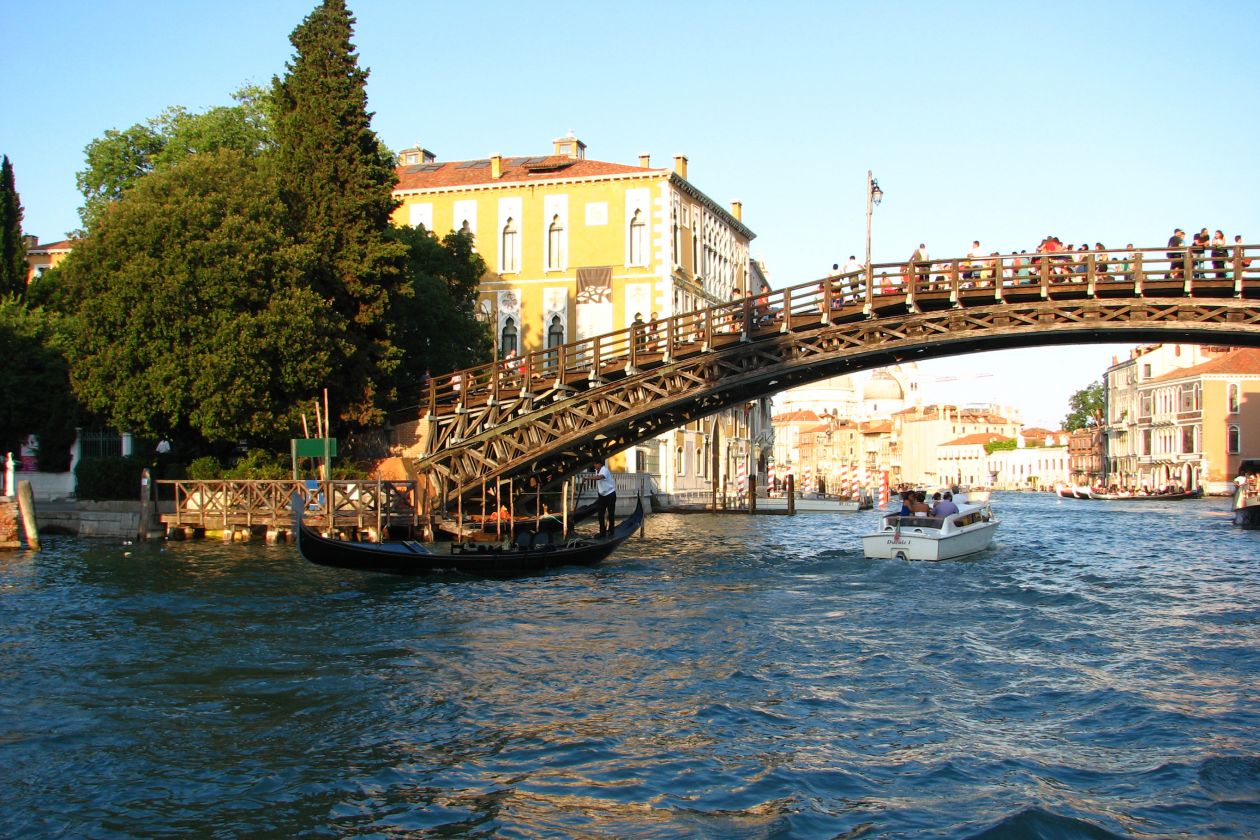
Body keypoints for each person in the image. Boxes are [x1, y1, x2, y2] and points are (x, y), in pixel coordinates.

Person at [591, 457, 617, 537]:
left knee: (611, 513)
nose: (594, 465)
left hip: (610, 494)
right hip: (602, 496)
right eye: (594, 464)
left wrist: (588, 478)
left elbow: (600, 477)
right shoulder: (596, 470)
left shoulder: (604, 470)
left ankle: (611, 531)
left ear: (599, 464)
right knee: (600, 514)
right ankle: (602, 532)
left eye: (595, 464)